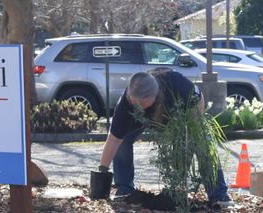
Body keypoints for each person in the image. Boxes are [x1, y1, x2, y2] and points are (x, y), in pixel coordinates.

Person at [98, 69, 230, 205]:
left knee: (203, 142)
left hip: (179, 117)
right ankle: (124, 189)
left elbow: (198, 100)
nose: (137, 107)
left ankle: (219, 195)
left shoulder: (178, 85)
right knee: (123, 140)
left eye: (141, 104)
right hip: (140, 120)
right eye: (134, 103)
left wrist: (190, 134)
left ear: (154, 96)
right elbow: (113, 140)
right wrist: (102, 171)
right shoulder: (126, 104)